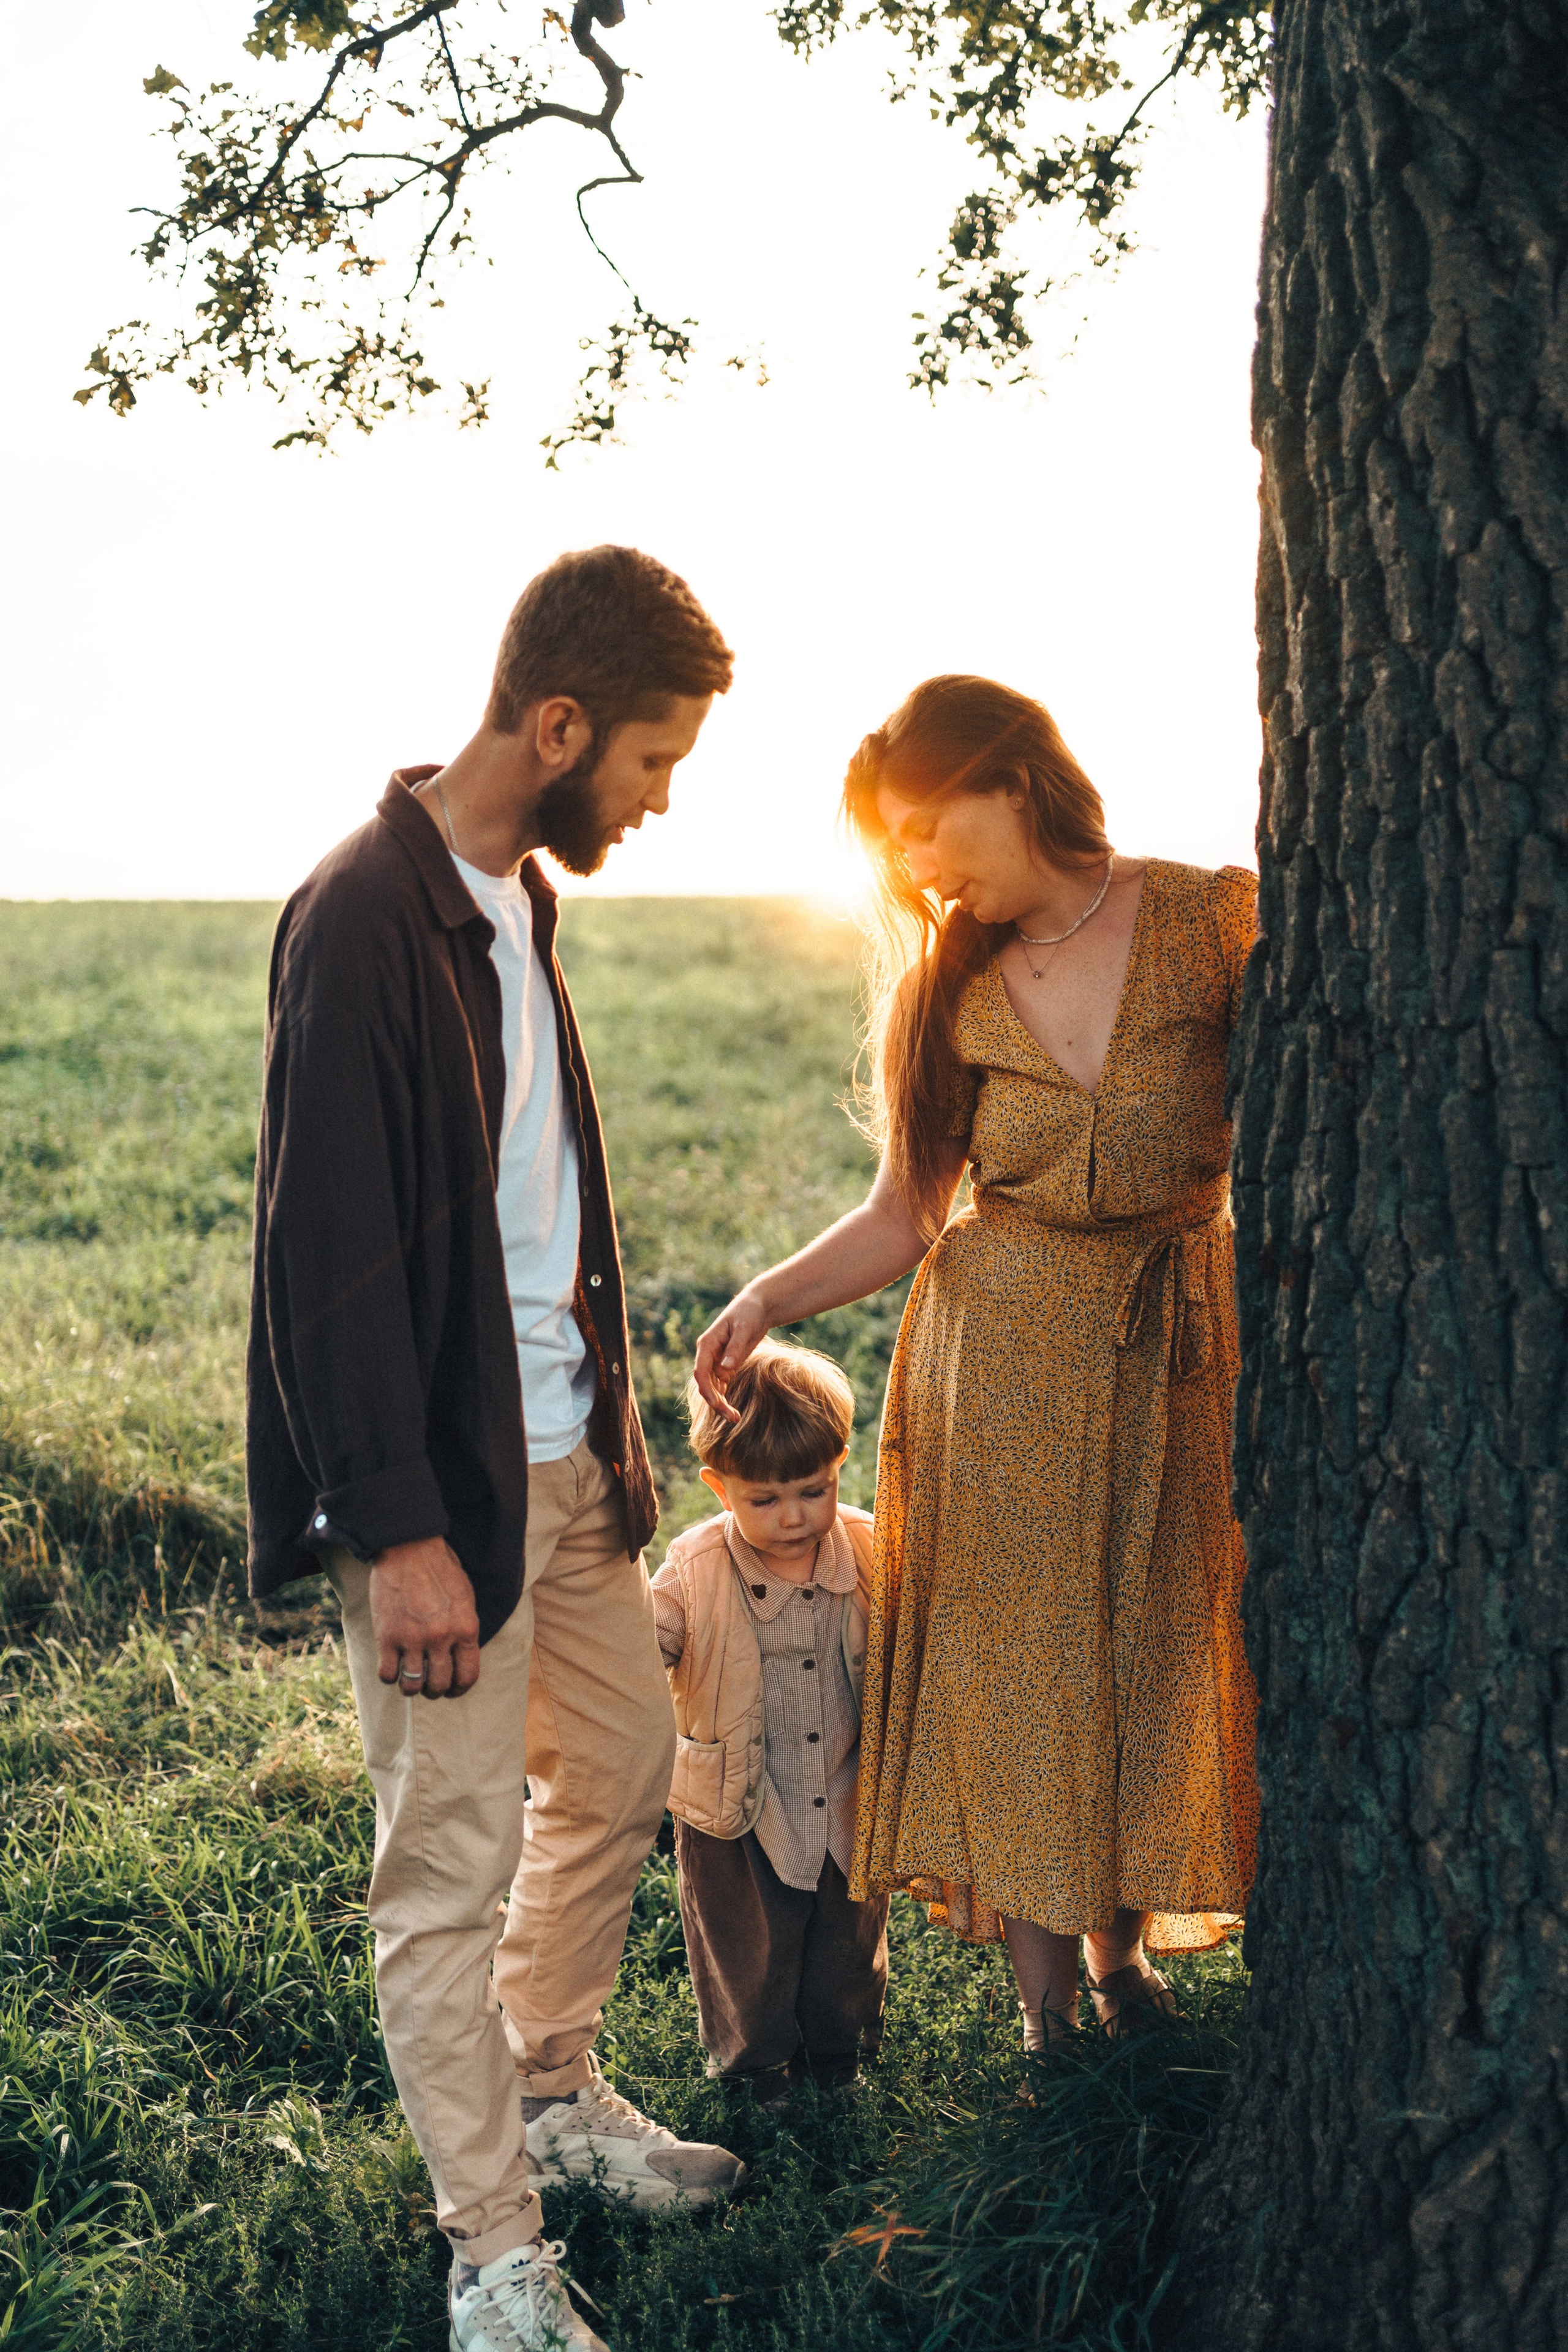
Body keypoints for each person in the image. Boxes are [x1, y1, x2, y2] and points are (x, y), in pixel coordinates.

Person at [246, 546, 747, 2352]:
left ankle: (547, 2084)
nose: (661, 796)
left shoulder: (521, 902)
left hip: (566, 1464)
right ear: (556, 724)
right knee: (445, 1865)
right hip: (443, 1492)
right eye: (651, 759)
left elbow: (549, 1209)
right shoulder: (362, 917)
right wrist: (394, 1526)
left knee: (620, 1773)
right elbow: (327, 1259)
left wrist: (610, 1435)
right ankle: (491, 2250)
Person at [693, 673, 1259, 2062]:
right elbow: (903, 1210)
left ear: (1007, 777)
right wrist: (765, 1295)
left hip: (1175, 1343)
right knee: (1019, 1673)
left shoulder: (1208, 916)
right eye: (890, 846)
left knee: (1148, 1653)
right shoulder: (944, 988)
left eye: (922, 825)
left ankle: (1126, 1967)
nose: (913, 865)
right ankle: (1047, 2021)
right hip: (995, 1363)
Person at [651, 1343, 890, 2104]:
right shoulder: (693, 1569)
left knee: (845, 1945)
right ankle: (758, 2074)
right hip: (736, 1807)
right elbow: (647, 1644)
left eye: (812, 1491)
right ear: (720, 1489)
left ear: (841, 1466)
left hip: (845, 1794)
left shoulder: (868, 1547)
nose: (793, 1516)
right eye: (764, 1499)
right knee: (748, 1950)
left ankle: (838, 2061)